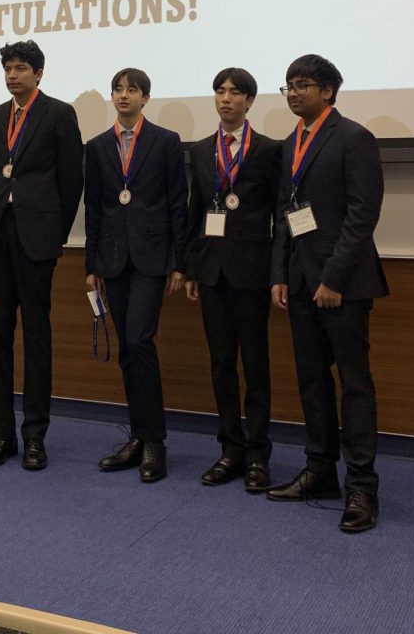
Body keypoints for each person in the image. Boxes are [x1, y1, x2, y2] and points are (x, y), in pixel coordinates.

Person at [267, 54, 387, 533]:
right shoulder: (289, 144)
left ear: (329, 91)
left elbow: (363, 215)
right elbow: (285, 214)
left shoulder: (354, 138)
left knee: (354, 385)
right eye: (289, 86)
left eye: (304, 85)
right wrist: (279, 273)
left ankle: (362, 486)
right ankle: (320, 471)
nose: (294, 93)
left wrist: (333, 278)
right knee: (311, 381)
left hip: (343, 285)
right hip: (297, 281)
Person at [0, 40, 84, 471]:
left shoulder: (59, 113)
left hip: (38, 240)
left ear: (38, 73)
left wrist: (54, 234)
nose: (12, 75)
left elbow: (71, 180)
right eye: (8, 68)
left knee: (36, 337)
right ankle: (2, 436)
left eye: (20, 68)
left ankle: (35, 435)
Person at [84, 69, 187, 483]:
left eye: (132, 90)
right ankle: (138, 437)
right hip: (112, 258)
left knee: (140, 340)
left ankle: (156, 441)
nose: (123, 95)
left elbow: (178, 203)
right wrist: (92, 266)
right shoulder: (96, 146)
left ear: (146, 97)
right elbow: (94, 209)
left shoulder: (165, 141)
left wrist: (178, 261)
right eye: (118, 89)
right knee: (127, 347)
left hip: (152, 257)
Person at [185, 68, 281, 492]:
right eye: (220, 92)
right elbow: (193, 213)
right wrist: (191, 268)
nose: (226, 99)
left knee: (255, 365)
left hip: (253, 272)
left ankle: (258, 453)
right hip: (211, 272)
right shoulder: (202, 150)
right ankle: (230, 449)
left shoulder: (269, 150)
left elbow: (282, 217)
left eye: (235, 93)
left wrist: (278, 273)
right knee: (221, 364)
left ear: (250, 102)